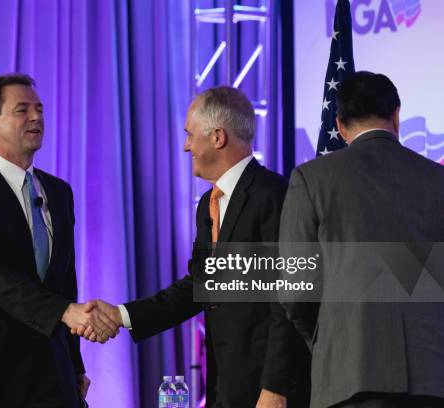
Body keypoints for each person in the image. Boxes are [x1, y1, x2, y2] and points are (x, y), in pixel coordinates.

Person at [79, 87, 311, 407]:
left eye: (190, 135)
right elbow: (199, 287)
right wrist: (121, 315)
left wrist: (276, 387)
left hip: (267, 390)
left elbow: (290, 299)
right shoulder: (208, 204)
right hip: (225, 385)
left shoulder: (274, 196)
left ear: (217, 137)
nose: (186, 145)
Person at [0, 73, 118, 408]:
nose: (36, 117)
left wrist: (74, 364)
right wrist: (65, 312)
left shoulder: (59, 192)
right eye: (22, 109)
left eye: (39, 109)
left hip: (48, 375)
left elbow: (63, 281)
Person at [279, 71, 444, 408]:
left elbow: (296, 290)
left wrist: (332, 337)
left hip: (349, 375)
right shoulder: (437, 179)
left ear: (339, 126)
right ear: (397, 115)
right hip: (433, 377)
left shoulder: (311, 179)